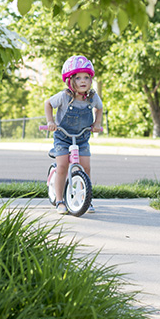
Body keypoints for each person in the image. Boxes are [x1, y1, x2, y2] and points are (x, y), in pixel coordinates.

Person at [44, 55, 104, 214]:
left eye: (86, 77)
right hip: (63, 137)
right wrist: (51, 122)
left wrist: (97, 123)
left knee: (86, 167)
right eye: (78, 78)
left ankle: (87, 198)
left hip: (82, 138)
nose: (83, 81)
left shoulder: (92, 97)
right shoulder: (64, 96)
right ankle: (60, 200)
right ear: (70, 80)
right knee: (63, 166)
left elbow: (100, 108)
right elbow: (48, 104)